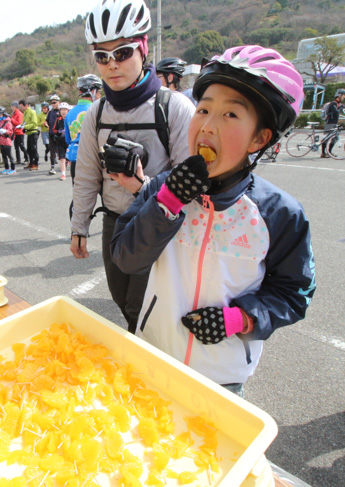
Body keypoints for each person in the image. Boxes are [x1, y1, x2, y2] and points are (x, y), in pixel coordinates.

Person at [111, 45, 315, 398]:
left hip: (224, 374)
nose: (207, 124)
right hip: (154, 353)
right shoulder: (161, 187)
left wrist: (240, 319)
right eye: (203, 109)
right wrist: (167, 203)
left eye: (230, 115)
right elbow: (126, 258)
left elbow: (293, 294)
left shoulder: (278, 213)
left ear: (260, 138)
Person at [71, 0, 195, 332]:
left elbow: (192, 183)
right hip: (114, 223)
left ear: (143, 50)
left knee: (143, 311)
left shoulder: (175, 107)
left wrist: (142, 186)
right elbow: (86, 175)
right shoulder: (96, 114)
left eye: (122, 53)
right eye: (102, 56)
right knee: (123, 301)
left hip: (156, 223)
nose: (112, 65)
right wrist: (79, 226)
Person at [65, 74, 103, 179]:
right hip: (92, 159)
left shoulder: (69, 113)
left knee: (79, 193)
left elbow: (68, 139)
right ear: (93, 92)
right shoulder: (97, 110)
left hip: (75, 159)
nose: (100, 95)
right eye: (99, 92)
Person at [321, 88, 345, 158]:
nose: (344, 97)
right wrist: (340, 108)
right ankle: (323, 153)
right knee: (326, 138)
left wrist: (340, 107)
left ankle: (329, 152)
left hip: (334, 123)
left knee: (335, 138)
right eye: (343, 95)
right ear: (339, 95)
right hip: (329, 123)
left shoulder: (338, 104)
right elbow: (335, 112)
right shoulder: (333, 103)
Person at [0, 106, 16, 174]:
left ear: (3, 114)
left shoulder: (8, 121)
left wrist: (4, 131)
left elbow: (10, 132)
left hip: (7, 140)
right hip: (1, 140)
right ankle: (6, 168)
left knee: (9, 155)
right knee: (3, 155)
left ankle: (13, 169)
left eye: (0, 114)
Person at [52, 103, 71, 180]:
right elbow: (54, 130)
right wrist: (59, 132)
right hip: (60, 141)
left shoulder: (70, 118)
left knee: (70, 159)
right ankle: (63, 174)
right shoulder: (58, 120)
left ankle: (72, 173)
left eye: (65, 110)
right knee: (62, 158)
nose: (63, 112)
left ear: (68, 110)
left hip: (69, 142)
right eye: (62, 110)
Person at [21, 99, 40, 170]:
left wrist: (25, 126)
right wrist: (21, 126)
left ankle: (36, 164)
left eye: (22, 107)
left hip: (34, 132)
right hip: (28, 132)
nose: (21, 108)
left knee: (33, 148)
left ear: (26, 105)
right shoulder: (25, 113)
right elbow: (24, 122)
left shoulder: (32, 112)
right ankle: (31, 163)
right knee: (29, 149)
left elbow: (34, 123)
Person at [10, 100, 27, 165]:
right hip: (15, 132)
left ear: (16, 107)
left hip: (20, 132)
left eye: (13, 106)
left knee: (22, 146)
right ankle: (18, 159)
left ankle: (26, 158)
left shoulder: (19, 113)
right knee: (16, 147)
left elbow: (19, 123)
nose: (12, 107)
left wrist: (12, 120)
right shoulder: (13, 113)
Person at [39, 102, 52, 171]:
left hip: (50, 131)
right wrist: (43, 123)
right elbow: (37, 123)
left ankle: (53, 158)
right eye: (43, 108)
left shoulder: (50, 113)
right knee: (47, 145)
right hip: (44, 132)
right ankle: (46, 153)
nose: (44, 109)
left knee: (52, 145)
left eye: (45, 108)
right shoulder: (40, 115)